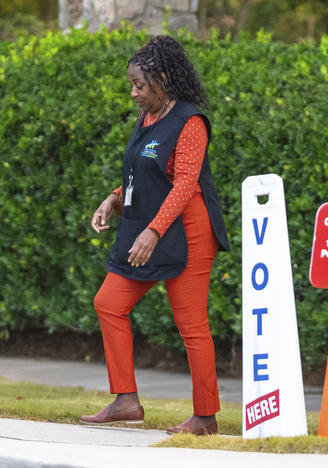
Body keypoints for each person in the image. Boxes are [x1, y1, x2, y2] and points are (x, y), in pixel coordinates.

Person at [81, 35, 230, 436]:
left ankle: (205, 417)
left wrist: (152, 231)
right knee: (108, 303)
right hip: (150, 226)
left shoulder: (190, 122)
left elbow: (184, 183)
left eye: (140, 85)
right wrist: (113, 199)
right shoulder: (146, 118)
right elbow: (143, 176)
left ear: (163, 79)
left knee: (191, 325)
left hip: (189, 231)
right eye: (131, 84)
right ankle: (126, 400)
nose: (133, 93)